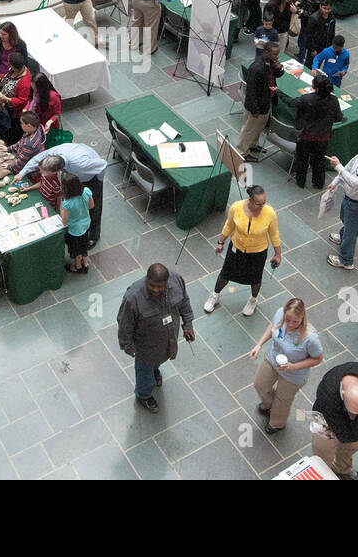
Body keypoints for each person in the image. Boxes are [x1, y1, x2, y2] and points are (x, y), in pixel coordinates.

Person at [116, 264, 195, 414]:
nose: (156, 290)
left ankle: (154, 370)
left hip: (168, 341)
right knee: (144, 370)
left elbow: (184, 302)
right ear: (147, 278)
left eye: (161, 287)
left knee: (157, 362)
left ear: (167, 282)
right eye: (152, 285)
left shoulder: (177, 280)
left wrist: (188, 324)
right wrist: (128, 346)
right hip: (145, 347)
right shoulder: (133, 297)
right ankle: (143, 395)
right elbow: (124, 324)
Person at [204, 185, 282, 316]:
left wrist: (278, 254)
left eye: (264, 203)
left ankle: (253, 300)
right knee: (225, 273)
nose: (262, 206)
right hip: (237, 247)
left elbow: (274, 234)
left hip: (258, 252)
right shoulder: (236, 207)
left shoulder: (270, 213)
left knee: (256, 278)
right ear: (250, 200)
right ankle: (215, 296)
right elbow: (229, 225)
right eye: (258, 203)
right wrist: (220, 242)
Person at [250, 298, 324, 434]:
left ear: (302, 318)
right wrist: (259, 344)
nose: (290, 324)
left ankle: (277, 423)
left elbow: (318, 358)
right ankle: (269, 404)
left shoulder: (310, 338)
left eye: (295, 321)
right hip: (272, 360)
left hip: (293, 374)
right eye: (287, 319)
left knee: (282, 400)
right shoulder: (280, 313)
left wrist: (293, 367)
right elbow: (272, 326)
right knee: (259, 383)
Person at [13, 143, 106, 245]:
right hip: (74, 176)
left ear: (57, 171)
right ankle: (74, 226)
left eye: (45, 173)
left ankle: (93, 236)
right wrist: (22, 173)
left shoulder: (81, 164)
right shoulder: (55, 153)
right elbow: (37, 159)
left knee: (94, 207)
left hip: (91, 176)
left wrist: (98, 179)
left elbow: (102, 165)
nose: (42, 175)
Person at [310, 362, 358, 479]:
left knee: (352, 447)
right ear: (343, 395)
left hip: (353, 420)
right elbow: (344, 435)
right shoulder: (328, 394)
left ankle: (342, 471)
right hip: (327, 421)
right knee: (323, 454)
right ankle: (324, 475)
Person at [294, 76, 341, 190]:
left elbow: (297, 111)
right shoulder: (333, 100)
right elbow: (338, 117)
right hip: (323, 137)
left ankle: (300, 181)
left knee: (302, 158)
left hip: (307, 136)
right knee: (319, 160)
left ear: (315, 87)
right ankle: (318, 183)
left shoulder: (306, 99)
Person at [239, 42, 279, 159]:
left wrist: (279, 68)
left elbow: (275, 76)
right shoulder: (257, 68)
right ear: (266, 52)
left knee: (258, 127)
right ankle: (242, 152)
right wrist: (255, 110)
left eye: (277, 54)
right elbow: (251, 91)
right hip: (257, 106)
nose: (277, 57)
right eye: (275, 54)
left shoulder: (270, 63)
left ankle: (253, 145)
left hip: (265, 101)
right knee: (249, 129)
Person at [60, 173, 95, 274]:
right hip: (85, 224)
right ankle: (86, 263)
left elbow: (64, 221)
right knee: (84, 244)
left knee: (76, 249)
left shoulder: (67, 203)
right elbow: (91, 206)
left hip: (74, 229)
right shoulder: (87, 191)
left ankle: (78, 267)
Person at [298, 0, 335, 69]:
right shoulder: (314, 18)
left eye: (329, 9)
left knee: (318, 65)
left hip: (325, 47)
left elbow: (332, 33)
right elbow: (309, 36)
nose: (327, 11)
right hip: (315, 47)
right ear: (320, 6)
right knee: (309, 66)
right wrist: (313, 49)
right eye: (325, 8)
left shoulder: (332, 17)